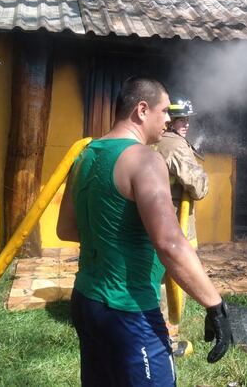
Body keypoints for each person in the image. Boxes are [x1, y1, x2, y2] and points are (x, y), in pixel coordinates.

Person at [56, 77, 231, 387]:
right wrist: (214, 304)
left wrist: (114, 236)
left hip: (86, 301)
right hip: (129, 308)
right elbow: (169, 243)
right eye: (164, 111)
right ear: (141, 110)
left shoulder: (86, 155)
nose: (168, 120)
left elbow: (66, 228)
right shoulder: (146, 160)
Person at [154, 97, 210, 356]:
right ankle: (168, 339)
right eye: (180, 119)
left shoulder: (153, 140)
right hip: (175, 221)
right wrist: (203, 175)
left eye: (187, 119)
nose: (185, 123)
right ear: (169, 119)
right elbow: (197, 187)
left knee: (155, 277)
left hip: (153, 220)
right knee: (173, 279)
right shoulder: (174, 145)